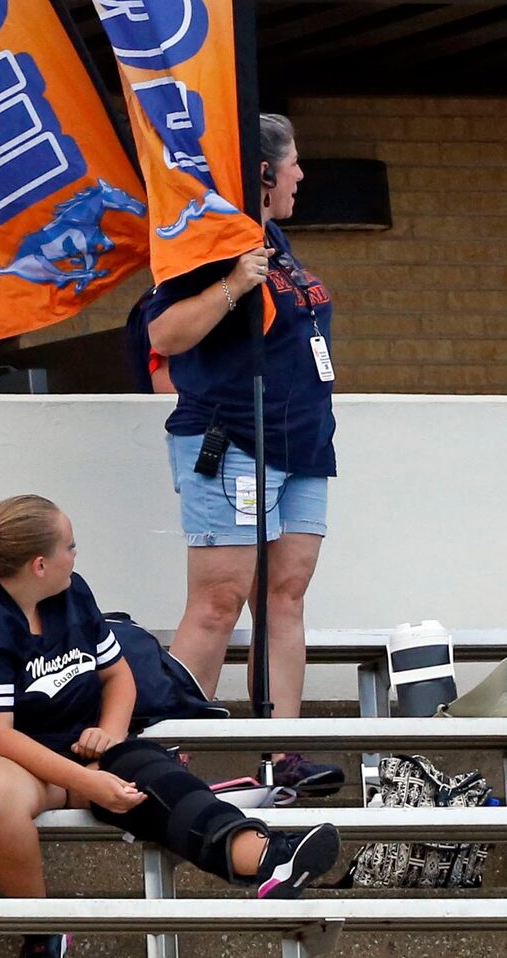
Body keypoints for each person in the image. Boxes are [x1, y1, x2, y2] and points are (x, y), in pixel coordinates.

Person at [0, 495, 339, 958]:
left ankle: (267, 858)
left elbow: (118, 675)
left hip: (83, 752)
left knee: (155, 777)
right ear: (40, 564)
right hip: (5, 764)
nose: (76, 554)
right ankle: (42, 930)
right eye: (71, 545)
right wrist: (88, 781)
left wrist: (110, 731)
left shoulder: (72, 592)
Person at [142, 113, 336, 790]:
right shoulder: (212, 238)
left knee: (285, 596)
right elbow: (164, 334)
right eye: (293, 164)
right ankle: (171, 753)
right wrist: (231, 286)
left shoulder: (275, 239)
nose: (302, 176)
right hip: (234, 443)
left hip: (304, 446)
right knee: (220, 599)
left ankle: (281, 747)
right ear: (263, 173)